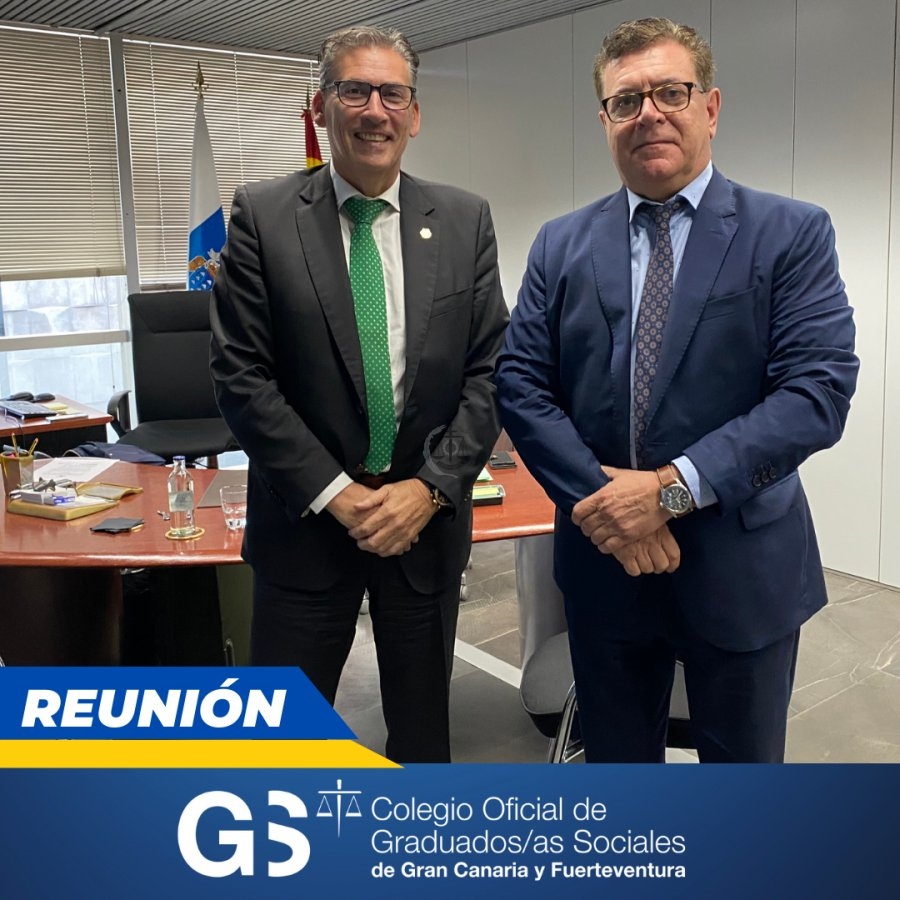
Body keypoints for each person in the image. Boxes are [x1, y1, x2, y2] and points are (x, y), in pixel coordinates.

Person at [495, 17, 859, 763]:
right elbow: (520, 384)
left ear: (710, 107)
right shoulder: (560, 244)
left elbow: (815, 393)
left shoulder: (788, 233)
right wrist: (609, 505)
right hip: (604, 565)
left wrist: (668, 492)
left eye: (670, 92)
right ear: (605, 120)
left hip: (740, 567)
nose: (649, 114)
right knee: (621, 782)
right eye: (626, 101)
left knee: (740, 797)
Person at [210, 25, 508, 762]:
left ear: (415, 113)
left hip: (423, 533)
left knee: (422, 745)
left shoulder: (464, 220)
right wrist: (337, 494)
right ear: (320, 106)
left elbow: (490, 372)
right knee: (280, 749)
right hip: (304, 531)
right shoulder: (262, 216)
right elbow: (242, 377)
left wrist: (429, 490)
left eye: (392, 94)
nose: (375, 110)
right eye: (354, 90)